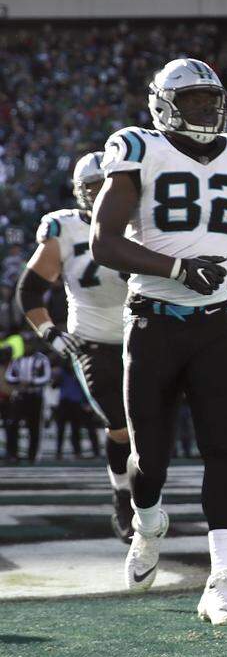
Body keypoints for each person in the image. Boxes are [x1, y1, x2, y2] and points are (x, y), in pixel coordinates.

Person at [91, 58, 227, 624]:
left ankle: (224, 580)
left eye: (210, 99)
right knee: (150, 459)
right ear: (164, 104)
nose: (205, 109)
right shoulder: (136, 148)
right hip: (152, 319)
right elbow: (104, 241)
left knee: (224, 451)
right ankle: (147, 525)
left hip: (215, 323)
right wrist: (177, 269)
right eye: (193, 100)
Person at [14, 151, 135, 539]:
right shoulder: (63, 228)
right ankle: (122, 495)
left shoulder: (146, 223)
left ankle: (144, 499)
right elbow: (30, 290)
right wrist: (50, 333)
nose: (102, 196)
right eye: (94, 187)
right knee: (119, 427)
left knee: (148, 431)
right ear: (79, 192)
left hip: (146, 338)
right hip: (94, 344)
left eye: (109, 186)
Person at [4, 349, 51, 463]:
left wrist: (31, 382)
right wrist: (19, 380)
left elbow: (46, 377)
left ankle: (33, 455)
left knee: (34, 426)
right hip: (20, 396)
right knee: (13, 424)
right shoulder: (17, 360)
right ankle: (12, 454)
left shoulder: (41, 359)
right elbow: (8, 376)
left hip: (34, 396)